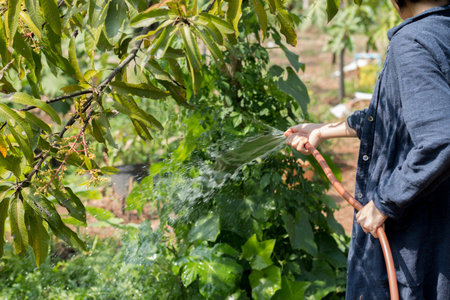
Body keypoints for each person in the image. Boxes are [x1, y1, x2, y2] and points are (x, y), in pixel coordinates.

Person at [285, 1, 450, 299]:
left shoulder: (411, 43)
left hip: (415, 235)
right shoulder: (442, 31)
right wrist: (323, 130)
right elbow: (393, 115)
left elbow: (441, 137)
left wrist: (385, 203)